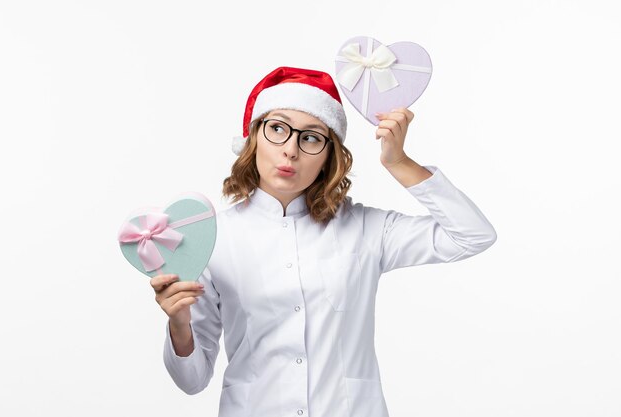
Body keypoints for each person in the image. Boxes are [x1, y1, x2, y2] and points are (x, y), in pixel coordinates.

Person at [149, 66, 497, 417]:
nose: (291, 151)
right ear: (254, 138)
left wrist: (400, 162)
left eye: (311, 137)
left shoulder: (365, 229)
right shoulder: (213, 238)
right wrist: (178, 322)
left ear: (329, 156)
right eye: (278, 129)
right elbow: (191, 380)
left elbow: (473, 234)